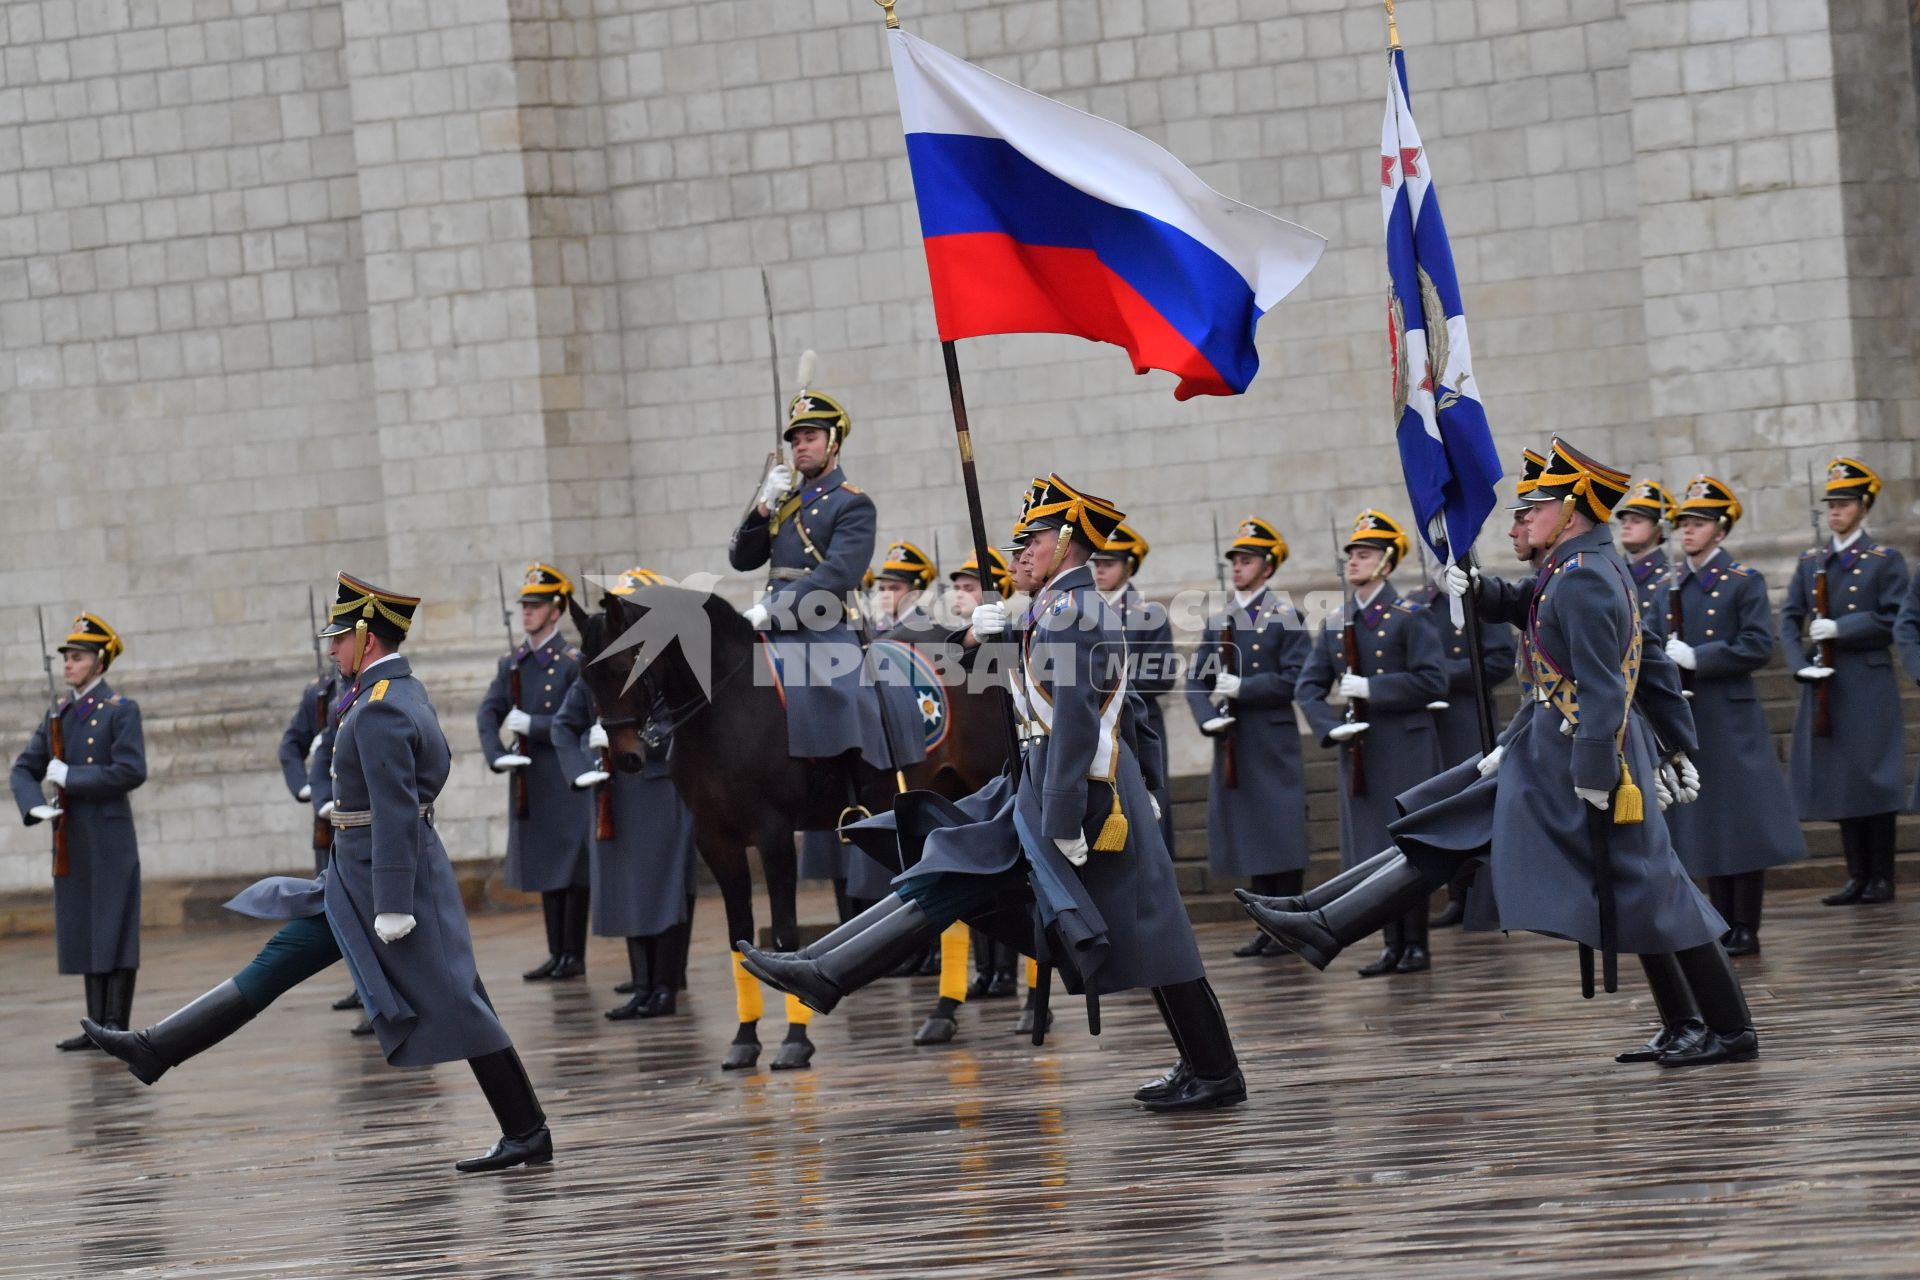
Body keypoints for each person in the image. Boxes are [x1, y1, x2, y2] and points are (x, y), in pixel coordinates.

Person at [1241, 439, 1757, 1069]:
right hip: (1549, 750)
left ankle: (1728, 1030)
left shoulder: (1586, 576)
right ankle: (1317, 914)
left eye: (1530, 510)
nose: (1516, 523)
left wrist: (1608, 767)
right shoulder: (1575, 569)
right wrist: (1483, 590)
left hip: (1583, 759)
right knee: (1613, 879)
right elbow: (1603, 639)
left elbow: (1606, 684)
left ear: (1571, 513)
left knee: (1651, 886)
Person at [736, 476, 1244, 1112]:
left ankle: (824, 969)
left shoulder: (1073, 614)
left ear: (1065, 544)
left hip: (1078, 803)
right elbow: (1110, 704)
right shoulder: (1057, 611)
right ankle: (822, 967)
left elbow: (1080, 724)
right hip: (1040, 792)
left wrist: (1065, 818)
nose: (1019, 553)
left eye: (1031, 541)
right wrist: (979, 635)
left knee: (1149, 934)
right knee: (965, 870)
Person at [83, 573, 553, 1171]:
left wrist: (392, 902)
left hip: (387, 885)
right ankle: (156, 1048)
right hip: (354, 877)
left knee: (462, 1003)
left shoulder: (380, 708)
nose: (330, 649)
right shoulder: (394, 693)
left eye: (338, 638)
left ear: (368, 639)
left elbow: (398, 807)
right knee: (277, 960)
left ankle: (527, 1130)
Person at [1296, 510, 1447, 975]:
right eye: (1352, 555)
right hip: (1361, 752)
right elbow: (1308, 686)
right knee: (1371, 852)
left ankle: (1416, 944)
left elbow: (1434, 681)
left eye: (1364, 555)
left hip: (1404, 747)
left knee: (1409, 850)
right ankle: (1390, 945)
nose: (1354, 563)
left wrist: (1375, 689)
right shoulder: (1336, 622)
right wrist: (1328, 726)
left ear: (1386, 563)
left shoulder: (1410, 616)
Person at [1660, 476, 1807, 954]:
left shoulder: (1744, 581)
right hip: (1689, 715)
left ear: (1720, 531)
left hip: (1731, 715)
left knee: (1741, 821)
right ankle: (1721, 923)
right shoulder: (1672, 584)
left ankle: (1747, 925)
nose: (1687, 530)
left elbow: (1758, 645)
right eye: (1684, 522)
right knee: (1708, 824)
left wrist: (1700, 657)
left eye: (1698, 523)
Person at [11, 613, 145, 1053]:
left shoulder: (120, 711)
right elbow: (24, 768)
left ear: (100, 663)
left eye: (78, 657)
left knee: (115, 926)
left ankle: (114, 1023)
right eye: (66, 657)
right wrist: (33, 804)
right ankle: (95, 1027)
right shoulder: (59, 713)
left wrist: (73, 777)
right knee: (87, 926)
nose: (68, 664)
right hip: (71, 837)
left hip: (109, 837)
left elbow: (130, 770)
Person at [1185, 517, 1312, 958]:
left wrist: (1245, 688)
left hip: (1270, 738)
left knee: (1281, 834)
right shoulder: (1219, 621)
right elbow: (1195, 680)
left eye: (1247, 560)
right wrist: (1208, 719)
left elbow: (1300, 677)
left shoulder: (1286, 616)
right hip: (1234, 739)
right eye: (1235, 561)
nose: (1238, 568)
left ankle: (1290, 927)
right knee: (1254, 838)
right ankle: (1265, 926)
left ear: (1268, 568)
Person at [1790, 458, 1909, 906]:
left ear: (1864, 507)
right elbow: (1789, 617)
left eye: (1845, 503)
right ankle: (1857, 875)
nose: (1836, 511)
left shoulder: (1885, 561)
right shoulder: (1811, 562)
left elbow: (1897, 618)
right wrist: (1800, 659)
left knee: (1873, 779)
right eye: (1832, 504)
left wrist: (1845, 628)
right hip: (1826, 681)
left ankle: (1882, 876)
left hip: (1868, 678)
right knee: (1841, 778)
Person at [478, 564, 593, 982]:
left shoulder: (571, 662)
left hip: (563, 774)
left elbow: (582, 721)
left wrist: (536, 726)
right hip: (530, 775)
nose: (527, 612)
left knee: (572, 868)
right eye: (525, 605)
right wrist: (497, 753)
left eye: (536, 605)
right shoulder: (513, 663)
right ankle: (556, 952)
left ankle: (573, 955)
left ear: (556, 611)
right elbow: (488, 712)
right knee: (547, 865)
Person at [1093, 522, 1177, 854]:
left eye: (1109, 564)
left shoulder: (1149, 614)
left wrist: (1107, 681)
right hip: (1101, 728)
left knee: (1149, 808)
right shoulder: (1087, 612)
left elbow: (1162, 673)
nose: (1100, 570)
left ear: (1129, 566)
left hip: (1140, 724)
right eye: (1097, 563)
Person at [1616, 479, 1678, 623]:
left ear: (1659, 529)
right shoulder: (1613, 571)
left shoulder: (1671, 577)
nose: (1626, 526)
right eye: (1624, 521)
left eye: (1636, 521)